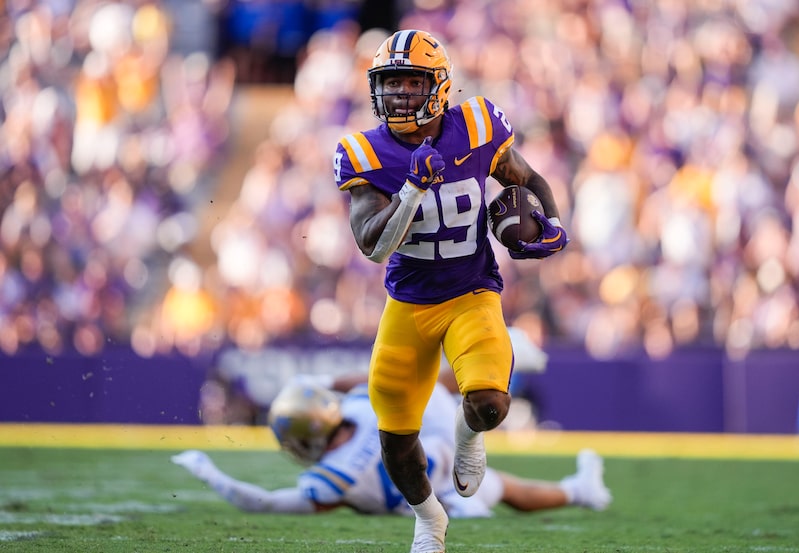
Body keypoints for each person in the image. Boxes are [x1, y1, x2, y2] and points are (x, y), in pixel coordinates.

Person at [332, 29, 568, 552]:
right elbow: (372, 246)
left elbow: (524, 178)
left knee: (489, 403)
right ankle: (429, 520)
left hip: (470, 291)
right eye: (389, 85)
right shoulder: (364, 151)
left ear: (439, 87)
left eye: (411, 84)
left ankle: (470, 441)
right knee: (395, 440)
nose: (398, 96)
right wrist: (412, 189)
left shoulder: (479, 124)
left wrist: (551, 226)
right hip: (409, 306)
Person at [171, 376, 611, 518]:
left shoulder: (333, 476)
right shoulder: (362, 404)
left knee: (495, 488)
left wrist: (211, 474)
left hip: (435, 496)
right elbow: (367, 379)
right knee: (504, 487)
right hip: (445, 468)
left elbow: (265, 502)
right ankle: (578, 490)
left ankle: (578, 490)